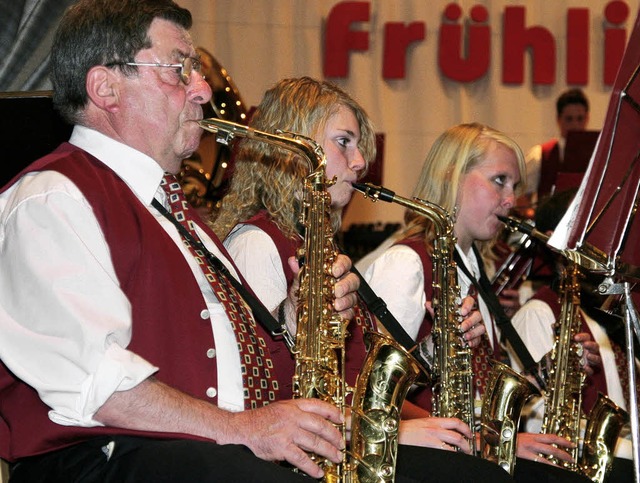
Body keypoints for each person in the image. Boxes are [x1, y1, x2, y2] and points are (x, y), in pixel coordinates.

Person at [0, 2, 364, 482]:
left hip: (205, 455)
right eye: (179, 69)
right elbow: (96, 384)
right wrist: (243, 428)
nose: (203, 90)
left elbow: (232, 365)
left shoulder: (181, 215)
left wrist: (298, 319)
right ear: (105, 87)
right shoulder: (49, 198)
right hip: (108, 461)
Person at [213, 77, 514, 481]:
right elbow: (268, 392)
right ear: (292, 146)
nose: (359, 163)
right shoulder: (257, 242)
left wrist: (434, 350)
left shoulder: (315, 247)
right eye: (344, 142)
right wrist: (397, 432)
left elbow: (360, 383)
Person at [364, 122, 598, 482]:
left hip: (466, 457)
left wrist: (554, 368)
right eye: (499, 180)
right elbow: (372, 395)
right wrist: (487, 444)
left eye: (515, 186)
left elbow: (481, 396)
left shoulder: (474, 267)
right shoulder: (407, 263)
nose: (511, 199)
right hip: (422, 464)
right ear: (452, 178)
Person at [511, 189, 635, 482]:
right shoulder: (540, 313)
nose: (607, 244)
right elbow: (540, 419)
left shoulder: (598, 314)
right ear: (558, 243)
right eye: (593, 231)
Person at [517, 88, 590, 217]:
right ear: (558, 119)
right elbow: (520, 195)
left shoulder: (598, 154)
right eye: (569, 119)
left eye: (580, 119)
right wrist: (534, 218)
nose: (575, 125)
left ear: (587, 118)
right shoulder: (540, 154)